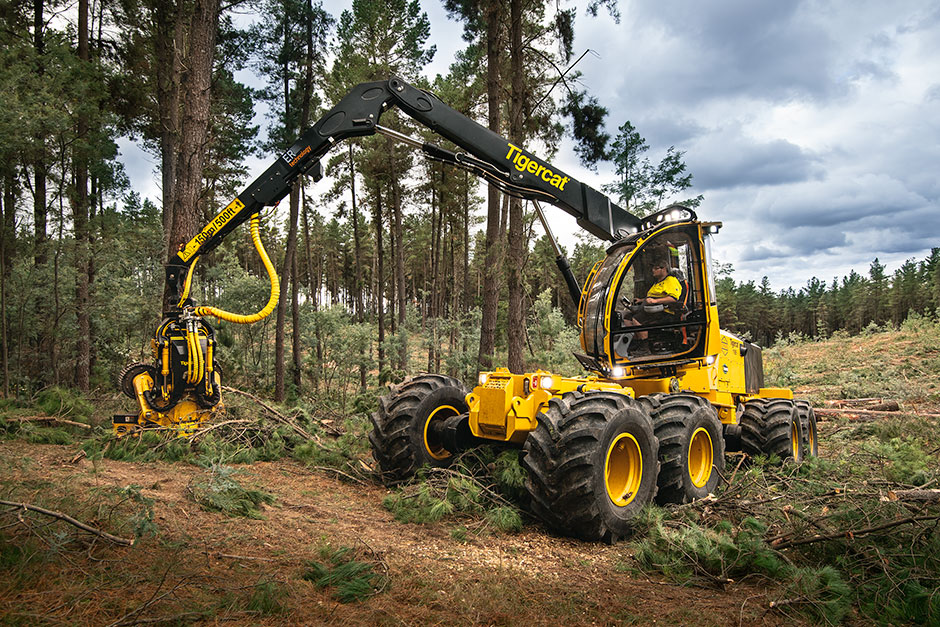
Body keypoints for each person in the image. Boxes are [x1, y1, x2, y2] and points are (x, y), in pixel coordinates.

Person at [618, 255, 682, 355]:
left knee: (637, 320)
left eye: (655, 268)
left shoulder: (671, 281)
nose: (652, 270)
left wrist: (656, 301)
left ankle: (645, 349)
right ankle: (638, 343)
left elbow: (673, 299)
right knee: (626, 319)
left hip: (664, 311)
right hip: (651, 309)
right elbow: (652, 296)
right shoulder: (657, 283)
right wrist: (641, 300)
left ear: (663, 269)